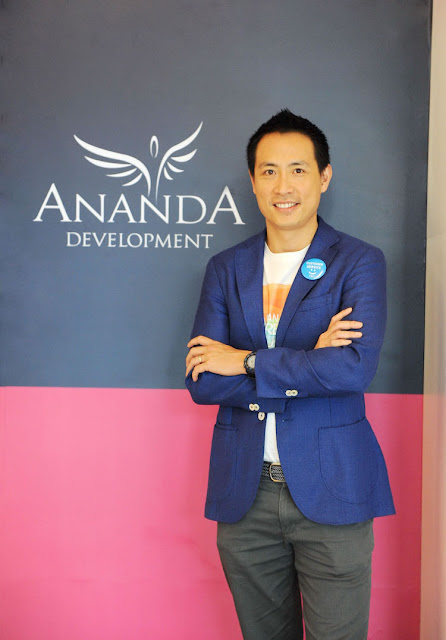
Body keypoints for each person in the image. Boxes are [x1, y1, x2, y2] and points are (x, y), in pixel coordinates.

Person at [185, 109, 395, 640]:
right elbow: (204, 379)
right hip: (245, 493)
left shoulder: (358, 262)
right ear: (253, 181)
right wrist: (309, 361)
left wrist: (247, 360)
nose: (284, 186)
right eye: (270, 171)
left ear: (324, 177)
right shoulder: (225, 268)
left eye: (298, 170)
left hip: (334, 487)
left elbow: (352, 368)